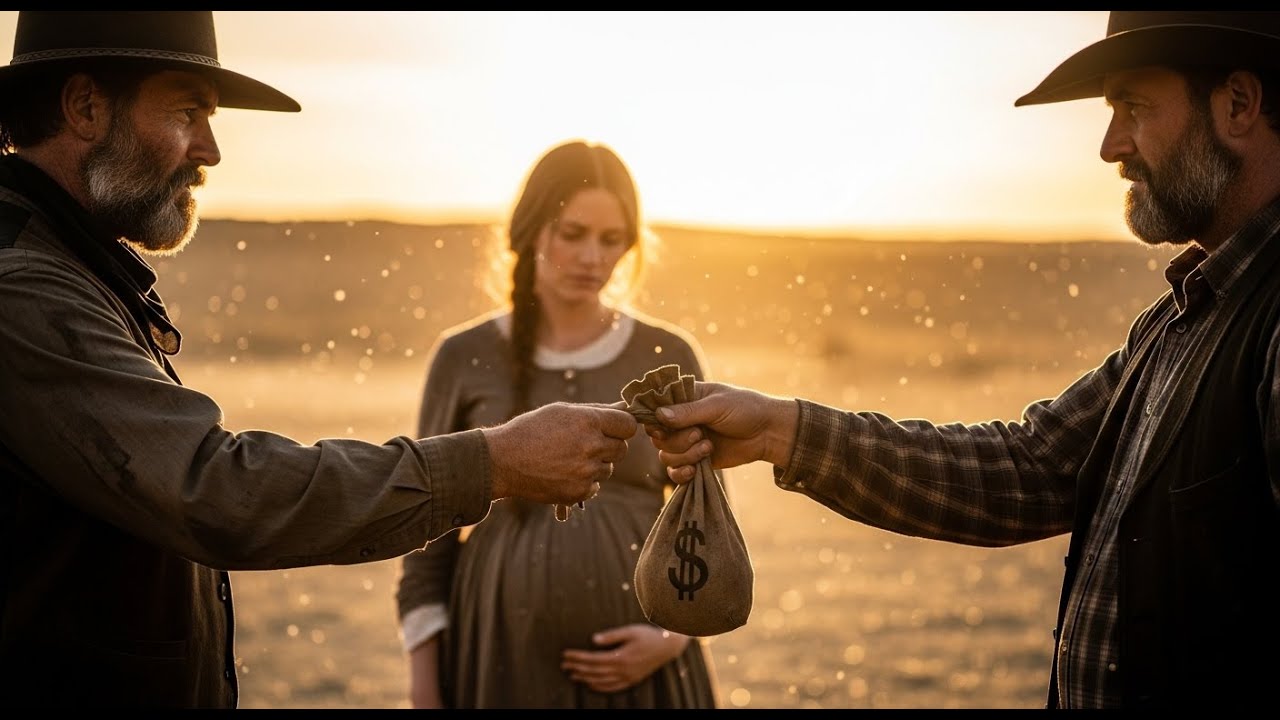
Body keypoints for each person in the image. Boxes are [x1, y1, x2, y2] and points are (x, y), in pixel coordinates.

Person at [0, 11, 637, 708]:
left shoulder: (74, 271)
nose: (211, 150)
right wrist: (491, 463)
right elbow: (213, 491)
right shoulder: (23, 288)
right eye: (187, 112)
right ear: (86, 107)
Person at [646, 10, 1280, 710]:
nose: (1110, 146)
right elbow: (1030, 467)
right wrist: (778, 429)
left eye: (1134, 106)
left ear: (1238, 104)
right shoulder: (1179, 320)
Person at [393, 139, 722, 709]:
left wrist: (671, 639)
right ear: (530, 231)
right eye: (573, 233)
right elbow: (426, 538)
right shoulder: (464, 357)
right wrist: (426, 688)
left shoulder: (666, 355)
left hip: (647, 674)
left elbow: (709, 522)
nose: (593, 257)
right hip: (499, 657)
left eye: (612, 240)